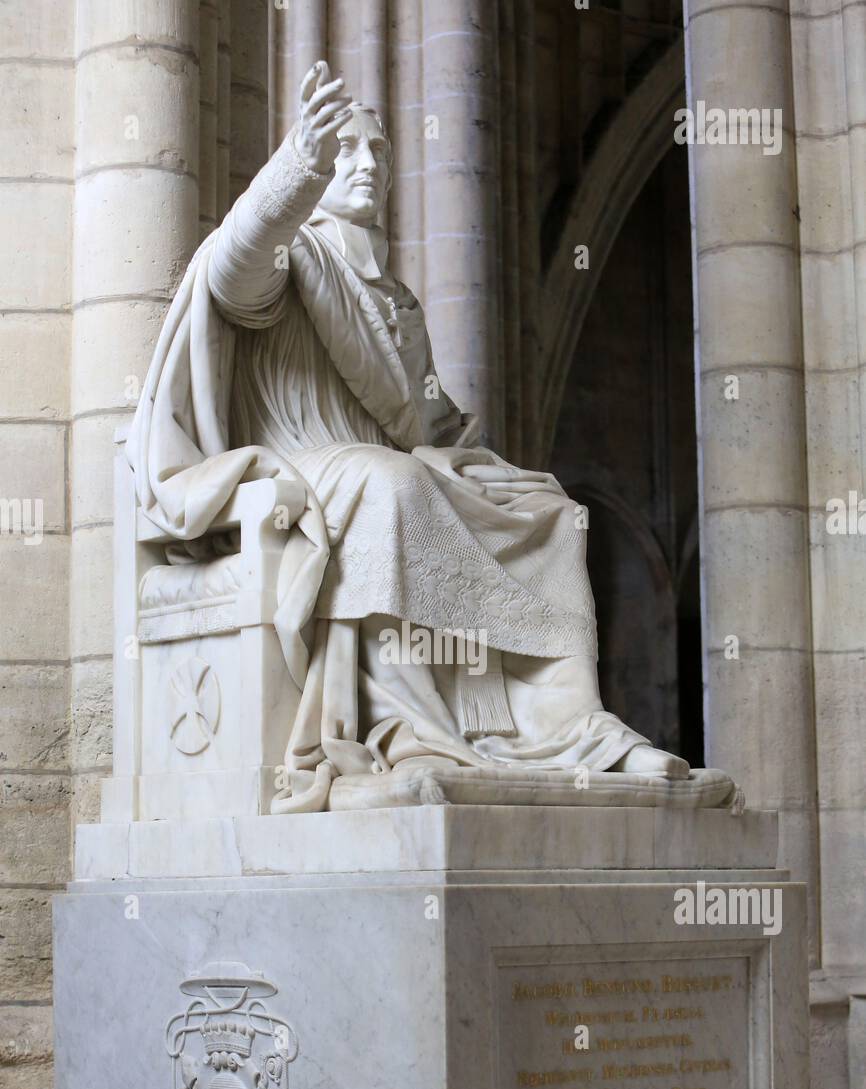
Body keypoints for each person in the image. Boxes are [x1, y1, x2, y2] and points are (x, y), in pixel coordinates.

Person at [129, 62, 690, 812]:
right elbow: (232, 272)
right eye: (346, 150)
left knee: (549, 510)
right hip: (302, 465)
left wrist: (480, 466)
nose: (366, 164)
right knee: (390, 485)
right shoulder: (291, 259)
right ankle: (409, 734)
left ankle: (568, 731)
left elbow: (431, 425)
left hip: (387, 466)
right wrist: (298, 161)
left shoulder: (397, 301)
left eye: (378, 150)